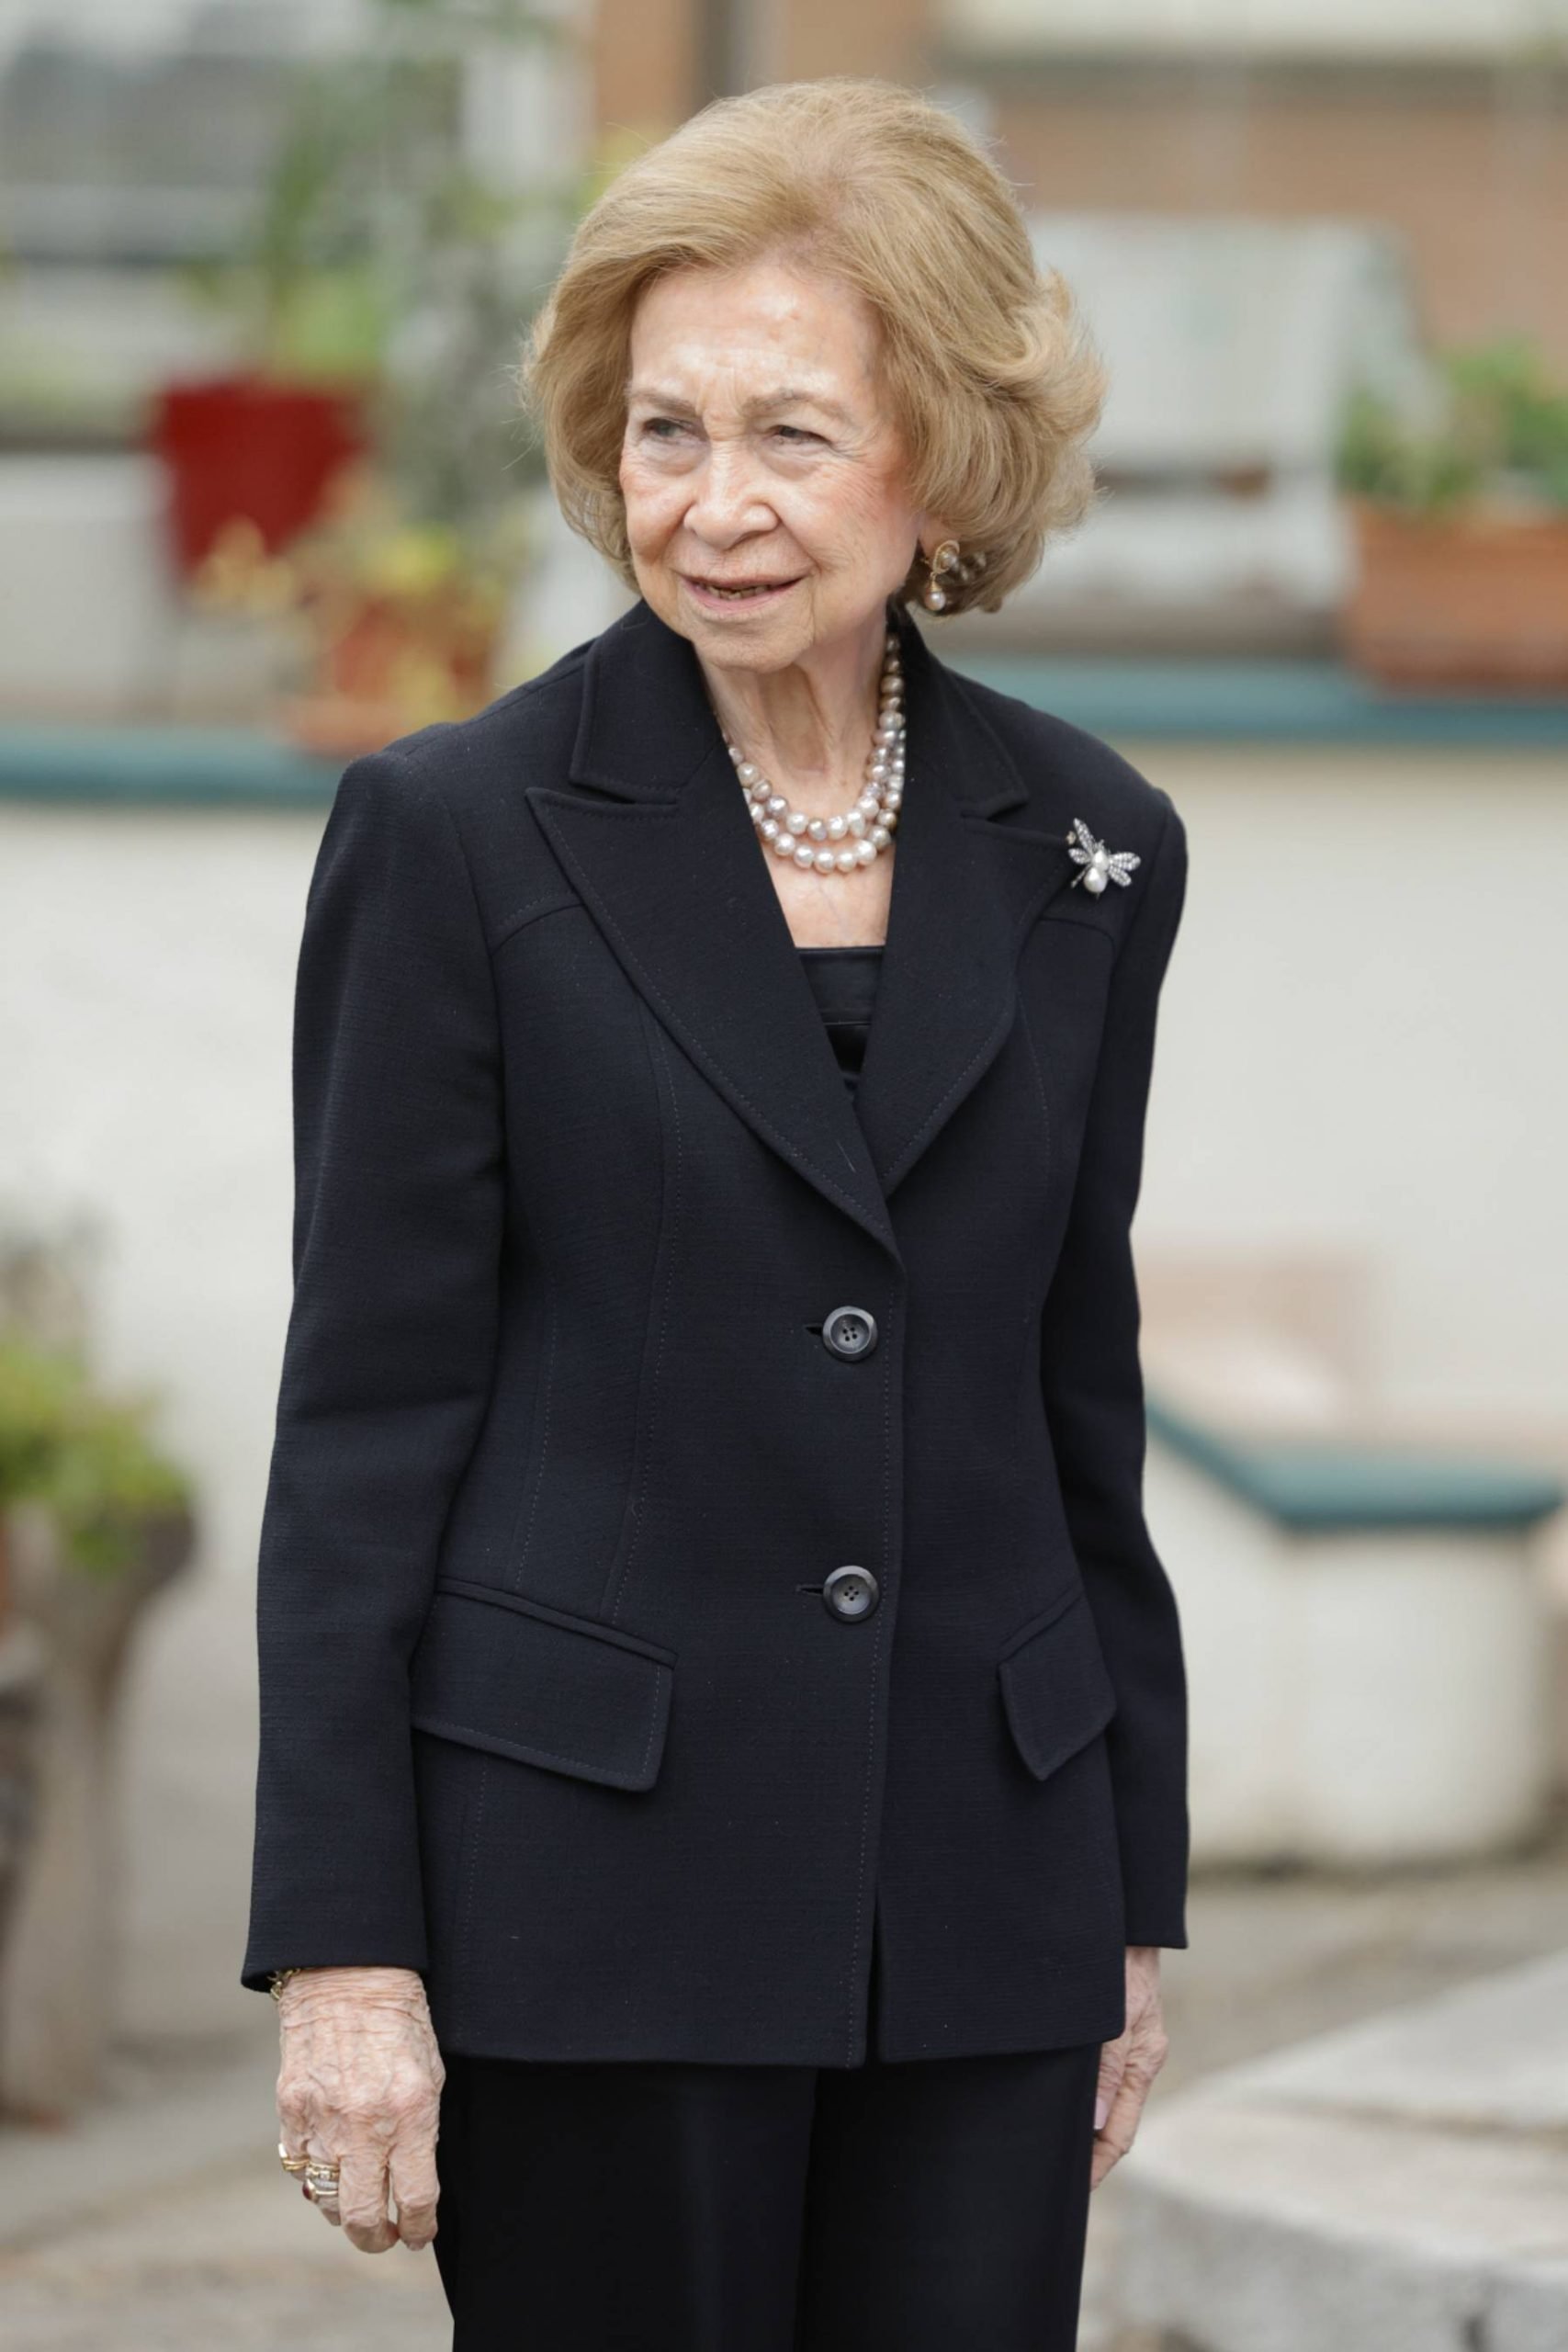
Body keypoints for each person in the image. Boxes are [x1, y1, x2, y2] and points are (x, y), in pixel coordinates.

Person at [243, 76, 1190, 2351]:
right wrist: (348, 1948)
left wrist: (1122, 1889)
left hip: (977, 1887)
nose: (714, 503)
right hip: (591, 1887)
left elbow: (1075, 1394)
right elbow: (368, 1420)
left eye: (788, 432)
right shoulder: (455, 837)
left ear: (941, 456)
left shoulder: (1091, 847)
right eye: (665, 433)